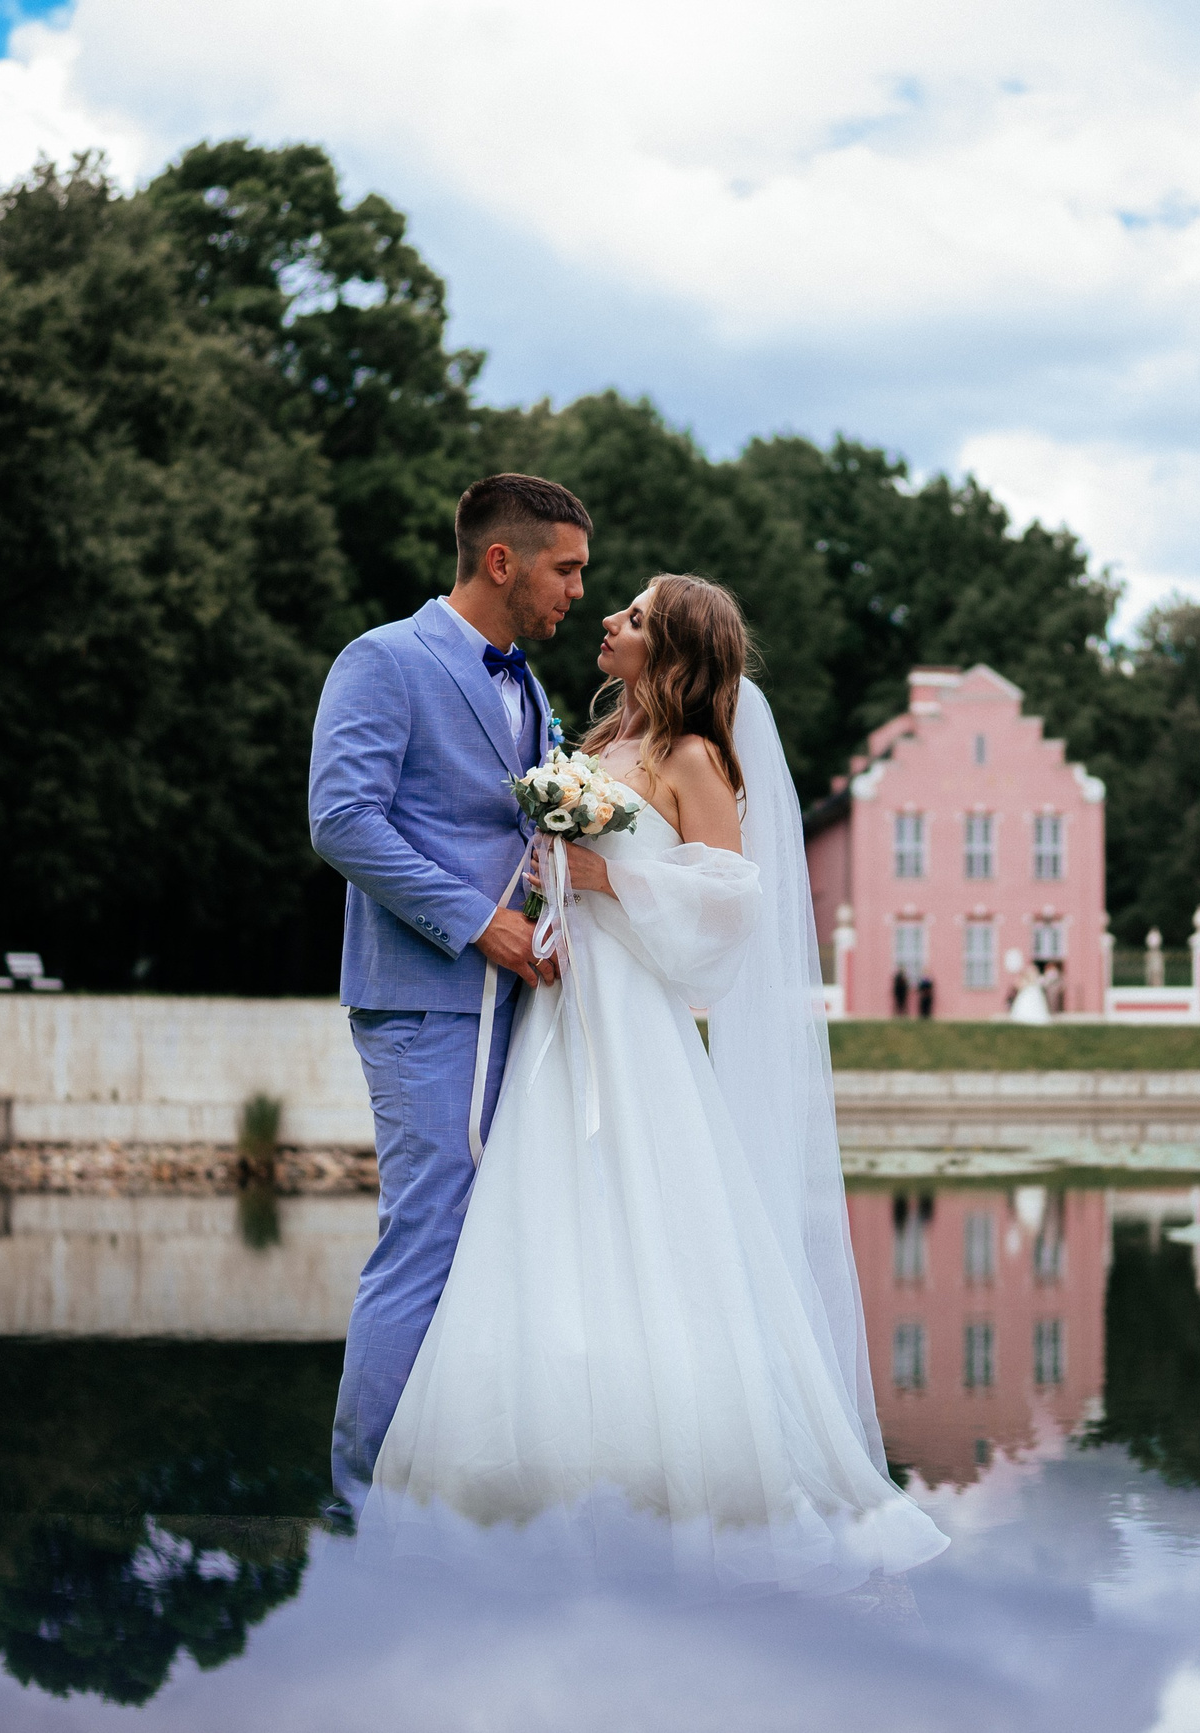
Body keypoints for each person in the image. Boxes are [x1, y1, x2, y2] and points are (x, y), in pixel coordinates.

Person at [367, 573, 947, 1594]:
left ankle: (683, 1479)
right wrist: (551, 879)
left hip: (636, 1019)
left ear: (671, 649)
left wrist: (607, 876)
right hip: (560, 1008)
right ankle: (528, 1482)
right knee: (542, 1222)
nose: (607, 620)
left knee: (653, 1227)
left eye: (631, 615)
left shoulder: (693, 758)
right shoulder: (589, 752)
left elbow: (730, 905)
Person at [308, 474, 586, 1509]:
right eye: (566, 569)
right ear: (502, 560)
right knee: (427, 1231)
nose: (577, 593)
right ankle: (362, 1495)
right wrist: (480, 922)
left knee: (495, 1237)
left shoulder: (530, 687)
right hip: (427, 994)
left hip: (513, 997)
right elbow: (343, 820)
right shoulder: (384, 660)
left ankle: (451, 1480)